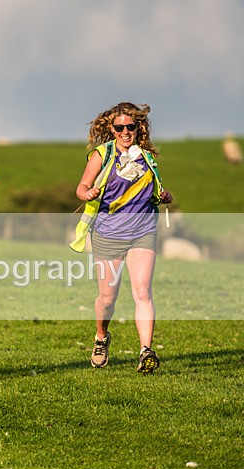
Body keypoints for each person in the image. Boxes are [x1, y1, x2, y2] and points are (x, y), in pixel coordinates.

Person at [71, 102, 173, 373]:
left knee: (142, 292)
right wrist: (87, 194)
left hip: (143, 231)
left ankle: (145, 352)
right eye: (120, 127)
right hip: (108, 234)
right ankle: (101, 338)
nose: (126, 131)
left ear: (138, 127)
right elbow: (81, 187)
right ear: (112, 129)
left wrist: (165, 196)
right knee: (107, 298)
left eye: (131, 126)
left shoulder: (146, 156)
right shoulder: (102, 155)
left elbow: (158, 189)